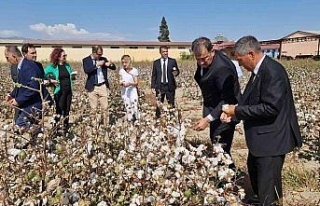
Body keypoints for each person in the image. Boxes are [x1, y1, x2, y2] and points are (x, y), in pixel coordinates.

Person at [221, 36, 302, 205]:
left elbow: (270, 108)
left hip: (272, 139)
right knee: (258, 174)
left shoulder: (273, 72)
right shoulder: (259, 71)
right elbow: (250, 101)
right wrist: (234, 114)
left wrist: (236, 110)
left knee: (267, 182)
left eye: (240, 60)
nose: (240, 65)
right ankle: (265, 200)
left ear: (251, 54)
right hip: (262, 138)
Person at [192, 37, 240, 158]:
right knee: (216, 142)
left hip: (226, 112)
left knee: (221, 149)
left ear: (212, 52)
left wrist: (207, 119)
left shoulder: (222, 68)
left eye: (203, 59)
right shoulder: (205, 61)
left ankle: (228, 174)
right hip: (214, 106)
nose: (201, 63)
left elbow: (226, 99)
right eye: (198, 59)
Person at [4, 46, 52, 132]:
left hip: (35, 103)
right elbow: (21, 85)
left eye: (8, 57)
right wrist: (11, 95)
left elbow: (33, 87)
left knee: (20, 124)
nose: (7, 60)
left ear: (14, 56)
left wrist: (18, 100)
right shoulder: (22, 65)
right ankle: (37, 139)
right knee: (30, 126)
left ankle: (38, 137)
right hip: (30, 103)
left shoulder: (28, 66)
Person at [82, 46, 116, 124]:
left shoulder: (103, 59)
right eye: (98, 54)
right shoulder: (86, 60)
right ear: (94, 52)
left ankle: (106, 125)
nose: (100, 56)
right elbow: (87, 70)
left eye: (101, 54)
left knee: (105, 107)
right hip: (92, 87)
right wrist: (97, 65)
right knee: (93, 108)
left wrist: (110, 65)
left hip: (102, 86)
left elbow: (114, 68)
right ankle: (95, 126)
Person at [45, 48, 73, 131]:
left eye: (65, 55)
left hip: (68, 90)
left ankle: (66, 126)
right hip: (59, 91)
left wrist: (73, 76)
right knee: (59, 110)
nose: (65, 57)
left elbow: (70, 76)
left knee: (67, 109)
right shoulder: (52, 67)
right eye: (64, 56)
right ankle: (55, 127)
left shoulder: (67, 65)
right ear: (58, 57)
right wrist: (51, 80)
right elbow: (43, 73)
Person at [151, 45, 179, 118]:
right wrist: (153, 86)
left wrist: (176, 73)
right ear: (160, 52)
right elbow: (154, 75)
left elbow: (177, 71)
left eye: (166, 51)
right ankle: (158, 118)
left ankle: (172, 119)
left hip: (169, 86)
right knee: (159, 103)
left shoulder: (172, 61)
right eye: (163, 52)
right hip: (160, 86)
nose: (165, 53)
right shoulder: (156, 63)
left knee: (171, 103)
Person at [119, 55, 140, 121]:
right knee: (128, 107)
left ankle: (137, 120)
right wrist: (122, 83)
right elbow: (120, 81)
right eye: (123, 63)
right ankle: (130, 121)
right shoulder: (121, 71)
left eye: (126, 62)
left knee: (134, 105)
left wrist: (130, 84)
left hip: (132, 91)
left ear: (129, 62)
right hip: (125, 91)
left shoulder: (134, 71)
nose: (124, 64)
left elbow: (136, 82)